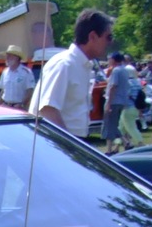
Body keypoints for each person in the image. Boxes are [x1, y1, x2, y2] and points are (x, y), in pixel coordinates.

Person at [29, 9, 113, 138]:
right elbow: (47, 110)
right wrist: (70, 147)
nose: (110, 42)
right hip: (56, 144)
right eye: (108, 37)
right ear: (92, 37)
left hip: (69, 141)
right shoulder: (64, 64)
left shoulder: (82, 66)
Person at [0, 45, 35, 110]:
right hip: (5, 107)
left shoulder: (26, 72)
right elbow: (2, 90)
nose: (7, 58)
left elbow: (30, 91)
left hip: (19, 107)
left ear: (17, 58)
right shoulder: (5, 72)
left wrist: (22, 104)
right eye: (7, 56)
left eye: (10, 56)